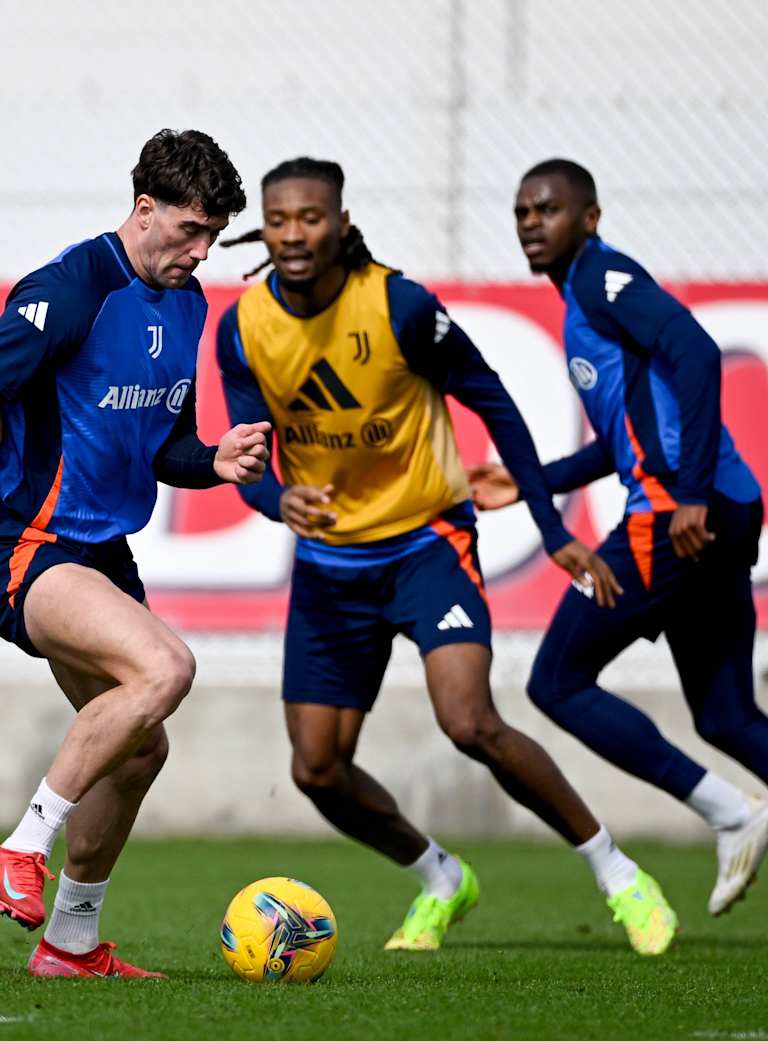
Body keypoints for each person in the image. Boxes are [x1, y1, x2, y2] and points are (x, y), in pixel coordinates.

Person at [216, 156, 677, 957]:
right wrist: (272, 500)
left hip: (427, 543)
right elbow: (249, 458)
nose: (295, 234)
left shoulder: (397, 306)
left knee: (469, 721)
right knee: (316, 770)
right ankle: (440, 877)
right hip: (331, 566)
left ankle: (619, 875)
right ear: (265, 226)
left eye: (311, 218)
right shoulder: (242, 328)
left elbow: (494, 400)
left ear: (342, 225)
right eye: (280, 219)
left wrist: (550, 524)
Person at [0, 129, 270, 978]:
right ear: (143, 209)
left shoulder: (186, 305)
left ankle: (72, 945)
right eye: (188, 231)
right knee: (165, 669)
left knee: (141, 746)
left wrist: (213, 460)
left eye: (213, 238)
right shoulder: (70, 291)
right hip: (31, 544)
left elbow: (165, 445)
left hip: (102, 551)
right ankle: (22, 847)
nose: (199, 252)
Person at [470, 158, 768, 917]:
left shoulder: (605, 282)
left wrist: (691, 493)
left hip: (680, 516)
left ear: (590, 219)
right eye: (522, 211)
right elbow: (625, 439)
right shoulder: (580, 301)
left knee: (556, 681)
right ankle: (736, 812)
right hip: (714, 510)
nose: (532, 222)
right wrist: (537, 478)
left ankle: (731, 812)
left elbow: (698, 354)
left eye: (549, 208)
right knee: (726, 715)